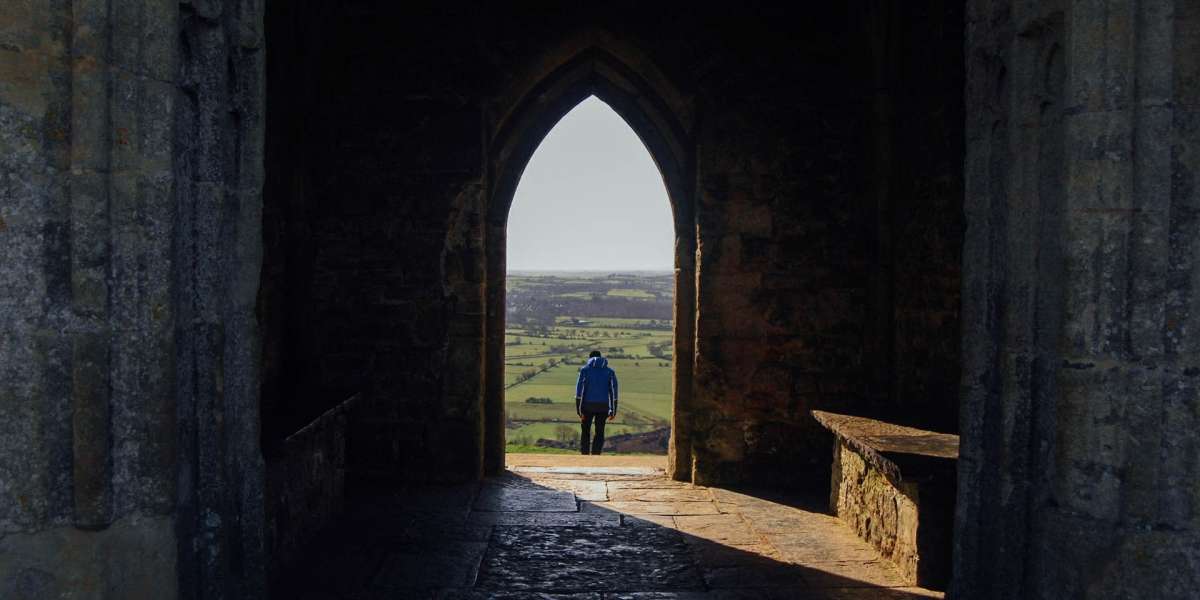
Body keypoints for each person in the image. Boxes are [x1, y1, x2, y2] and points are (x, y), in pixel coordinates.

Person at [575, 350, 618, 455]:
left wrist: (578, 409)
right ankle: (596, 455)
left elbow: (579, 390)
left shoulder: (584, 370)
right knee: (600, 431)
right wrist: (613, 410)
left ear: (589, 358)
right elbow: (614, 391)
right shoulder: (610, 372)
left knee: (585, 431)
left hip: (587, 406)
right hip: (603, 406)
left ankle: (584, 454)